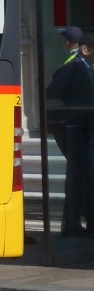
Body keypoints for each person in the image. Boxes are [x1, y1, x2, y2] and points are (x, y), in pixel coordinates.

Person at [45, 26, 94, 236]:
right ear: (85, 49)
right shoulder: (72, 68)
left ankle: (76, 224)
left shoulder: (86, 68)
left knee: (81, 177)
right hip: (73, 131)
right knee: (78, 177)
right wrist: (59, 126)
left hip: (83, 131)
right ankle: (73, 225)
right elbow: (51, 96)